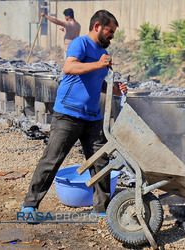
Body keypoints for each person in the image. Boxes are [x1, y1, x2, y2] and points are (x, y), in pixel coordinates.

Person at [22, 10, 127, 217]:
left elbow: (97, 81)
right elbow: (69, 67)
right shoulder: (80, 43)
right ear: (97, 26)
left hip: (93, 117)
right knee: (52, 160)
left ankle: (101, 209)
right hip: (68, 114)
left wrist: (112, 89)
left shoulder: (101, 52)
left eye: (113, 32)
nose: (112, 36)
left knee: (100, 161)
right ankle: (29, 205)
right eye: (110, 31)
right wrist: (99, 64)